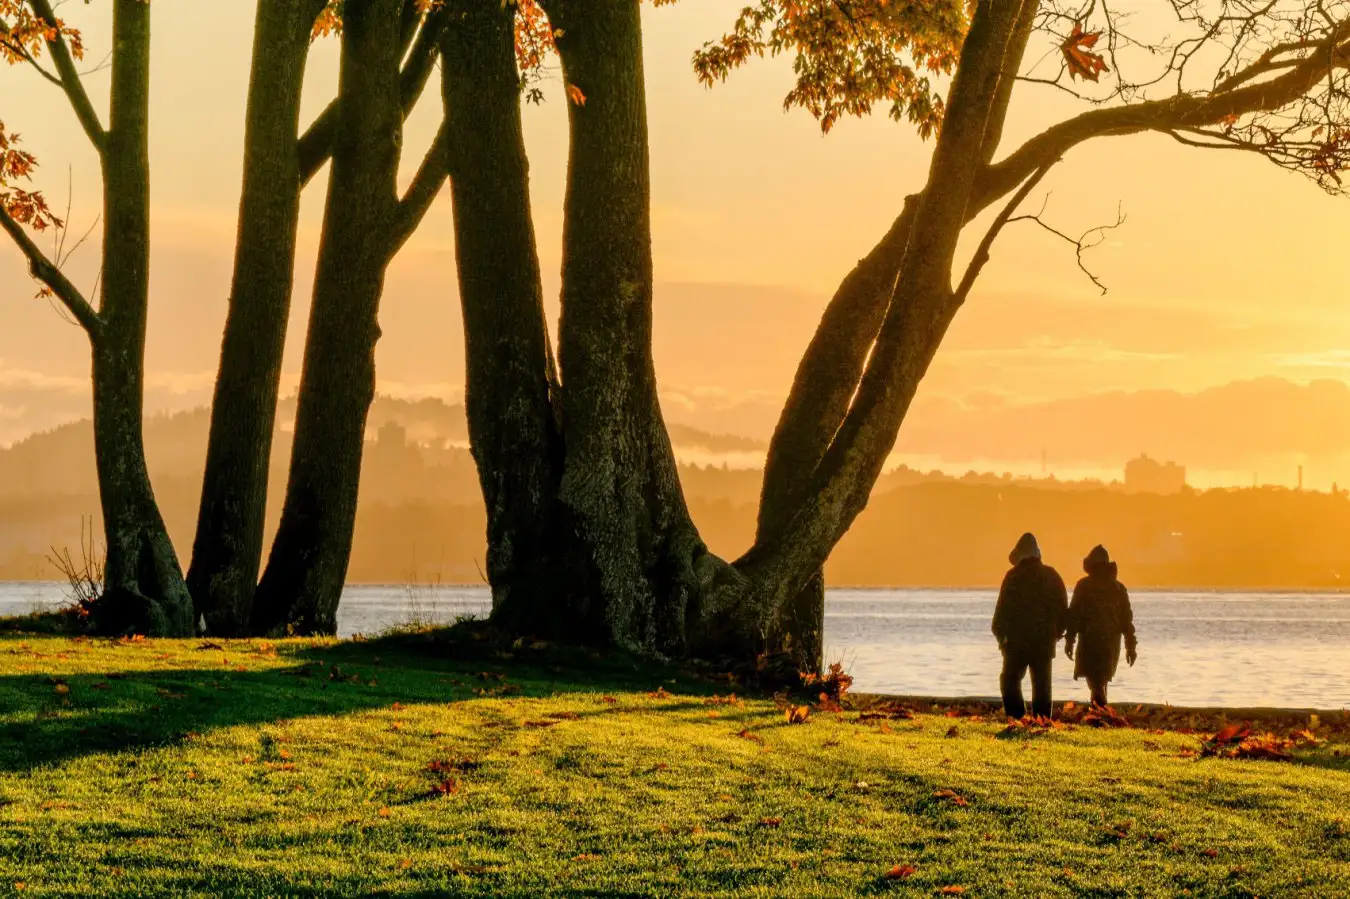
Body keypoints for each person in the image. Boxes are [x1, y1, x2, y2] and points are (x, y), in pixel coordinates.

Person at [991, 532, 1068, 719]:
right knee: (1042, 685)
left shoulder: (1012, 576)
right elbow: (1063, 610)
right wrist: (1056, 634)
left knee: (1009, 681)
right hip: (1044, 642)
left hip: (1017, 642)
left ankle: (1016, 716)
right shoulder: (1052, 576)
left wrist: (1002, 637)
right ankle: (1041, 720)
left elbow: (1001, 613)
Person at [1064, 544, 1138, 707]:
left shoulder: (1084, 585)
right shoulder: (1118, 588)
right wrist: (1130, 647)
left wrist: (1070, 640)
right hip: (1111, 643)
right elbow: (1126, 621)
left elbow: (1074, 616)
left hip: (1090, 641)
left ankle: (1100, 714)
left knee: (1095, 683)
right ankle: (1101, 713)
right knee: (1101, 681)